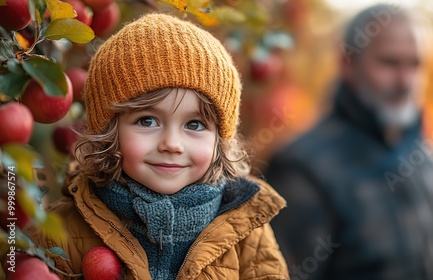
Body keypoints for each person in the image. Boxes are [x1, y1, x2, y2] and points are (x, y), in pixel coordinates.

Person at [21, 13, 289, 280]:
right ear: (109, 131)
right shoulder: (62, 232)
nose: (172, 144)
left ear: (220, 140)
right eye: (147, 121)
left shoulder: (248, 237)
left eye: (194, 125)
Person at [265, 4, 433, 280]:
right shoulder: (301, 168)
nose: (405, 81)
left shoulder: (427, 155)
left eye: (416, 65)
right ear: (347, 62)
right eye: (389, 63)